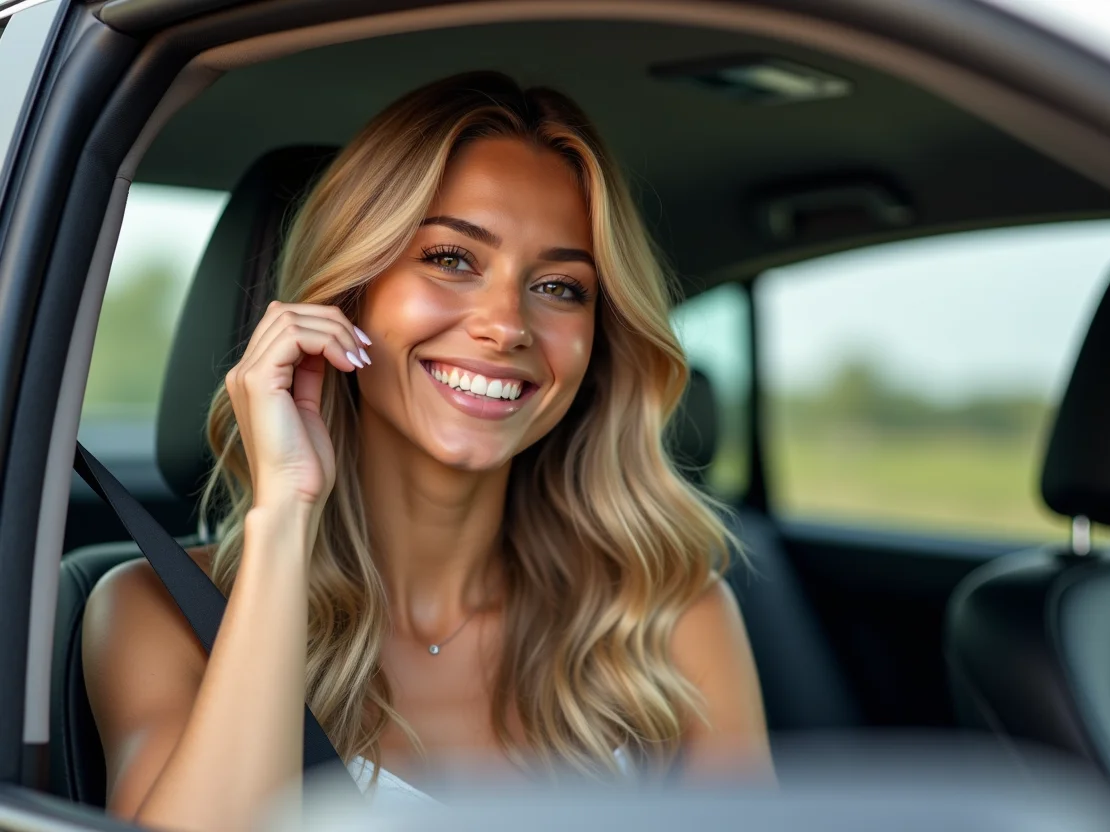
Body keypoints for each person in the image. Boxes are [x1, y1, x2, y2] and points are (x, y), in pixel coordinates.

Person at [82, 71, 774, 831]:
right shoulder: (155, 613)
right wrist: (285, 519)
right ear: (349, 294)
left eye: (560, 287)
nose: (506, 323)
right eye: (451, 259)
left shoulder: (667, 618)